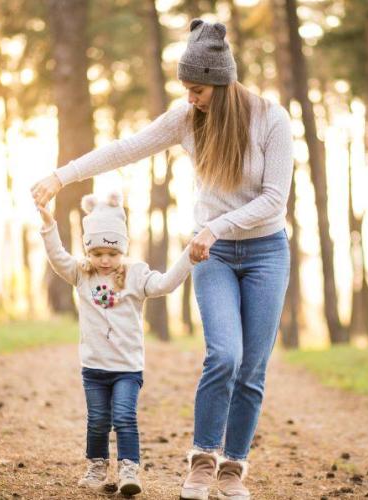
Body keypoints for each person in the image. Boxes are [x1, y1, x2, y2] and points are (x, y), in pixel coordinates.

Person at [32, 18, 293, 500]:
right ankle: (202, 460)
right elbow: (125, 149)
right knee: (224, 355)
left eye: (198, 90)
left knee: (252, 368)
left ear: (222, 83)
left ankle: (233, 468)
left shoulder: (271, 119)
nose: (190, 98)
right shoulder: (187, 119)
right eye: (186, 89)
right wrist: (61, 176)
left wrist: (217, 226)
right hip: (210, 253)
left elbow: (275, 199)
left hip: (265, 252)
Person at [36, 191, 194, 496]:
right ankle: (97, 466)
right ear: (88, 251)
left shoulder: (136, 274)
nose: (104, 260)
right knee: (97, 421)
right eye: (97, 253)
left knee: (124, 417)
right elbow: (57, 257)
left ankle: (128, 469)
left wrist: (188, 256)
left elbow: (165, 284)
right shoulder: (81, 273)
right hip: (94, 368)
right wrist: (49, 226)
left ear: (122, 247)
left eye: (111, 252)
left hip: (127, 368)